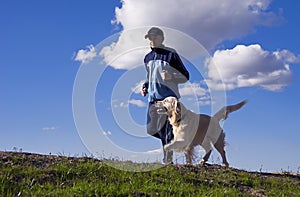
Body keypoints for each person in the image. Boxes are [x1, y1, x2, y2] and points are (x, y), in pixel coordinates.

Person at [141, 27, 190, 164]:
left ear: (162, 38)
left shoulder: (171, 54)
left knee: (166, 131)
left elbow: (185, 76)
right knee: (151, 130)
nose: (152, 40)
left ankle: (167, 160)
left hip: (168, 99)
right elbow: (149, 76)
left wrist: (171, 76)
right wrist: (145, 86)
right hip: (153, 99)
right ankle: (172, 137)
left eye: (154, 37)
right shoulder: (147, 58)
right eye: (150, 38)